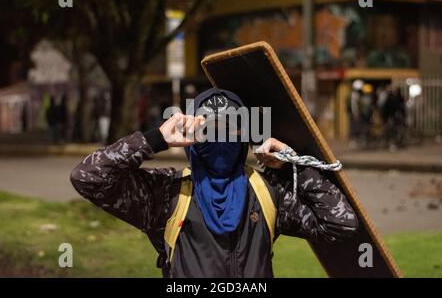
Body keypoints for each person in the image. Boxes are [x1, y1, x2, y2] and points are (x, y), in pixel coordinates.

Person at [70, 88, 359, 278]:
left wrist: (291, 164)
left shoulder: (266, 191)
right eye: (208, 128)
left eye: (230, 128)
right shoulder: (166, 194)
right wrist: (153, 140)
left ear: (244, 135)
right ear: (192, 137)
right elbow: (88, 177)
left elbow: (340, 223)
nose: (220, 138)